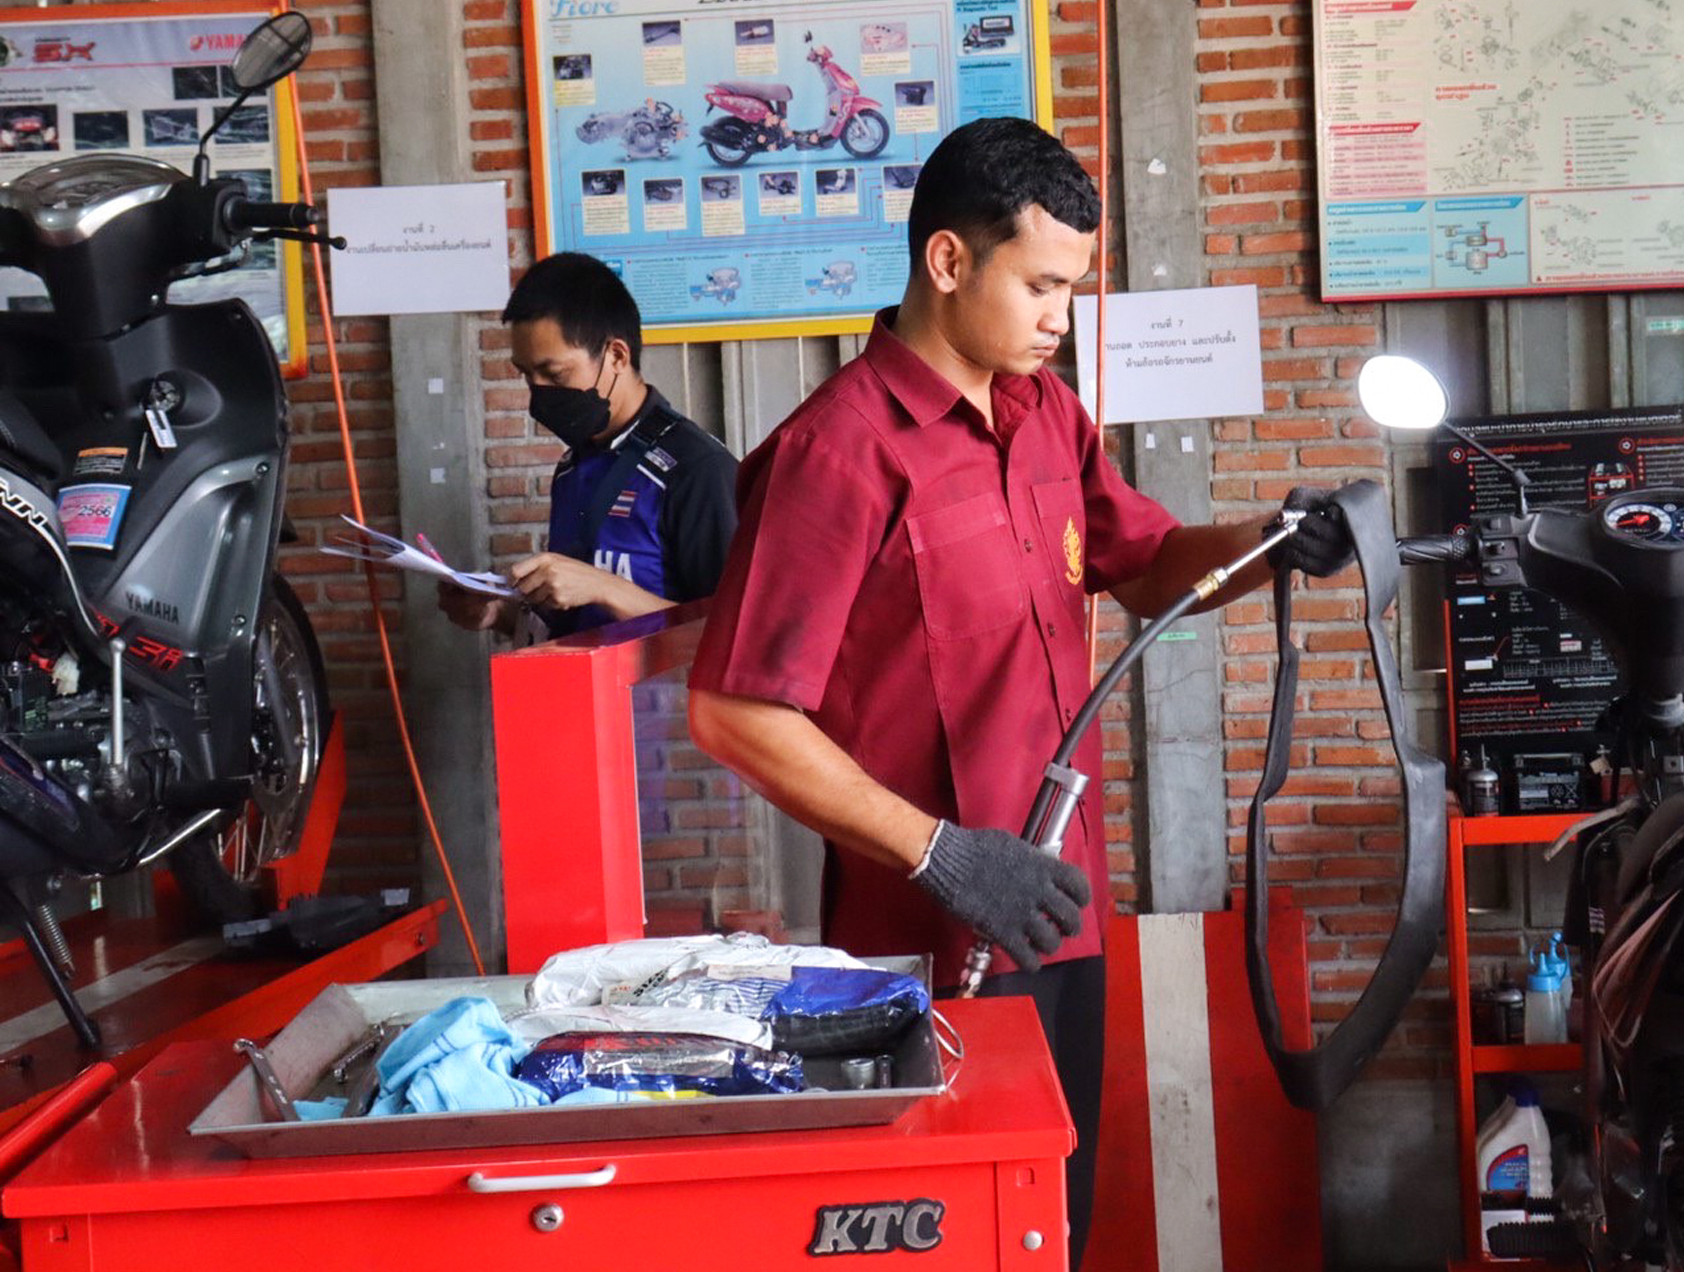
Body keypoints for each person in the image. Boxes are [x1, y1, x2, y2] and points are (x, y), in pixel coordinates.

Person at [686, 117, 1355, 1268]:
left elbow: (1141, 568)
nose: (1060, 319)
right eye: (1041, 285)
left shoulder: (1042, 416)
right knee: (960, 1239)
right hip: (933, 941)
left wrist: (1266, 540)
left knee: (1056, 1222)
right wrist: (944, 854)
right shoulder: (838, 455)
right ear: (948, 263)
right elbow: (736, 711)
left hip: (1056, 907)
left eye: (1074, 290)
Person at [439, 252, 739, 639]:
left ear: (616, 355)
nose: (539, 393)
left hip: (667, 699)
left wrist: (605, 588)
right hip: (581, 696)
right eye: (527, 375)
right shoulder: (573, 467)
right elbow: (576, 626)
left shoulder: (697, 469)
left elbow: (734, 636)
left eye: (554, 373)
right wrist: (497, 613)